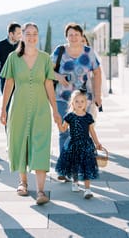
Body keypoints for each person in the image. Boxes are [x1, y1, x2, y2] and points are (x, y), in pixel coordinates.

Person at [0, 22, 61, 205]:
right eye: (28, 34)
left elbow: (49, 85)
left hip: (41, 109)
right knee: (20, 142)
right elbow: (9, 84)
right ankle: (23, 183)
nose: (31, 37)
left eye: (35, 33)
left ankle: (41, 190)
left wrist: (56, 111)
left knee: (41, 144)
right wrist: (3, 109)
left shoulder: (45, 58)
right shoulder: (13, 57)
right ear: (22, 36)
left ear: (38, 36)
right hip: (18, 108)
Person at [51, 23, 102, 159]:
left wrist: (98, 95)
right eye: (70, 35)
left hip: (83, 100)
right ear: (66, 37)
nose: (73, 37)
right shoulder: (59, 51)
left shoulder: (88, 52)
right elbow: (47, 70)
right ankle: (64, 166)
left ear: (81, 36)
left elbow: (97, 72)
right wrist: (58, 77)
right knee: (63, 131)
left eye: (76, 34)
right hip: (62, 97)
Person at [56, 90, 103, 199]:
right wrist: (58, 123)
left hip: (86, 144)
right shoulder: (70, 116)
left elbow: (92, 131)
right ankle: (75, 182)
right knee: (75, 165)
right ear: (72, 103)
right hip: (73, 144)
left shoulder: (88, 117)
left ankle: (87, 189)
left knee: (87, 166)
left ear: (86, 103)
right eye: (77, 101)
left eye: (82, 101)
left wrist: (97, 143)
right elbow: (63, 130)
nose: (80, 103)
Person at [0, 22, 22, 93]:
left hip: (21, 81)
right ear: (11, 34)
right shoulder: (0, 45)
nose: (20, 35)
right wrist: (1, 75)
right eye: (18, 33)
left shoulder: (23, 45)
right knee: (7, 103)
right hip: (6, 80)